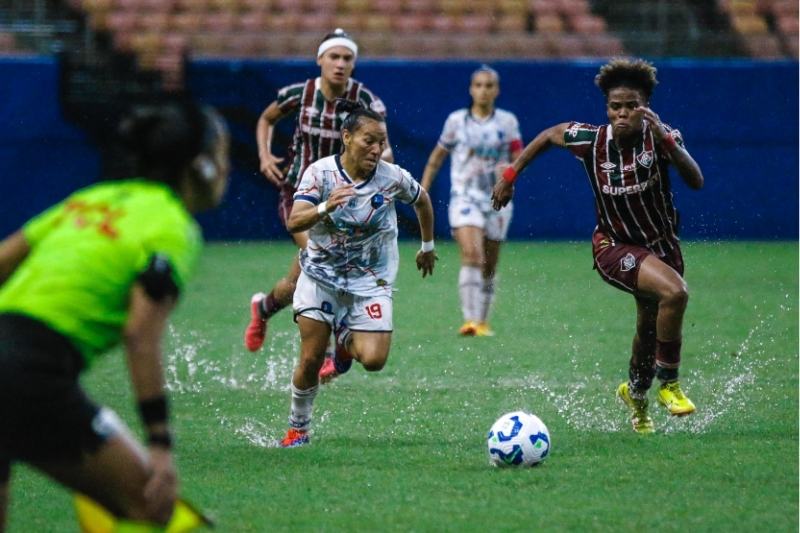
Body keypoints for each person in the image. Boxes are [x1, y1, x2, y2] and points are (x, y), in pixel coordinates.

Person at [0, 100, 230, 529]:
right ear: (201, 167)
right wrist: (160, 445)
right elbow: (140, 335)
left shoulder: (90, 199)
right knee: (153, 505)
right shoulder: (170, 225)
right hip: (29, 371)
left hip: (16, 359)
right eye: (222, 154)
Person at [492, 58, 704, 434]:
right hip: (614, 245)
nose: (623, 114)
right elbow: (548, 135)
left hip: (662, 247)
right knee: (675, 293)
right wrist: (510, 176)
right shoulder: (592, 140)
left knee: (649, 328)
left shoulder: (660, 137)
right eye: (615, 107)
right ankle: (669, 383)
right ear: (606, 108)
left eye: (632, 106)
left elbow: (696, 180)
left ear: (646, 106)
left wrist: (669, 142)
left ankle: (635, 396)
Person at [278, 102, 436, 448]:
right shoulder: (320, 174)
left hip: (370, 283)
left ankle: (346, 342)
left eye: (381, 141)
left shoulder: (391, 178)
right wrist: (325, 207)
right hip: (321, 276)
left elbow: (422, 200)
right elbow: (294, 220)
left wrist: (427, 245)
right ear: (346, 137)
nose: (377, 149)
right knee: (311, 358)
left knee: (375, 360)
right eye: (369, 140)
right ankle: (298, 428)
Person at [244, 28, 393, 353]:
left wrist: (382, 170)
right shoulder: (301, 93)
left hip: (343, 201)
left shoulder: (365, 101)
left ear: (354, 64)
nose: (340, 63)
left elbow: (386, 149)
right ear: (320, 59)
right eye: (334, 56)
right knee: (323, 254)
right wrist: (265, 153)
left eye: (347, 58)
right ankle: (333, 345)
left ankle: (264, 308)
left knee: (302, 275)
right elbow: (266, 119)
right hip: (301, 192)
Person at [420, 65, 523, 337]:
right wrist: (424, 190)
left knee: (489, 264)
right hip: (464, 196)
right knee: (472, 253)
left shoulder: (507, 122)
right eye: (478, 85)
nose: (483, 90)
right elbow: (436, 158)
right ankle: (470, 321)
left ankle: (483, 320)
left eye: (489, 85)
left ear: (496, 90)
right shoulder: (456, 121)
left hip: (497, 199)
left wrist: (510, 173)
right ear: (471, 89)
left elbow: (519, 157)